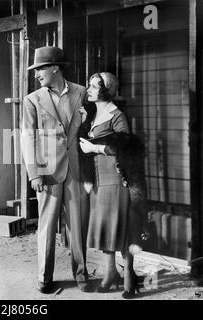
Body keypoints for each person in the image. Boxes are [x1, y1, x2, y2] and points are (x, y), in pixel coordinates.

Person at [21, 46, 93, 293]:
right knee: (47, 225)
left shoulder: (81, 92)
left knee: (78, 223)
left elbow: (89, 128)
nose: (37, 74)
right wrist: (34, 173)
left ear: (55, 67)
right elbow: (27, 137)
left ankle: (81, 273)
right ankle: (45, 276)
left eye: (40, 68)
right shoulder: (32, 99)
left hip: (75, 168)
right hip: (47, 172)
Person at [79, 72, 148, 299]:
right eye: (88, 86)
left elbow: (126, 149)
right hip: (97, 179)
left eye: (93, 86)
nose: (88, 89)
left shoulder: (116, 115)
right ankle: (110, 273)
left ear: (106, 91)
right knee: (104, 227)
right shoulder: (91, 114)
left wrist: (95, 148)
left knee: (123, 227)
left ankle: (129, 274)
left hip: (117, 179)